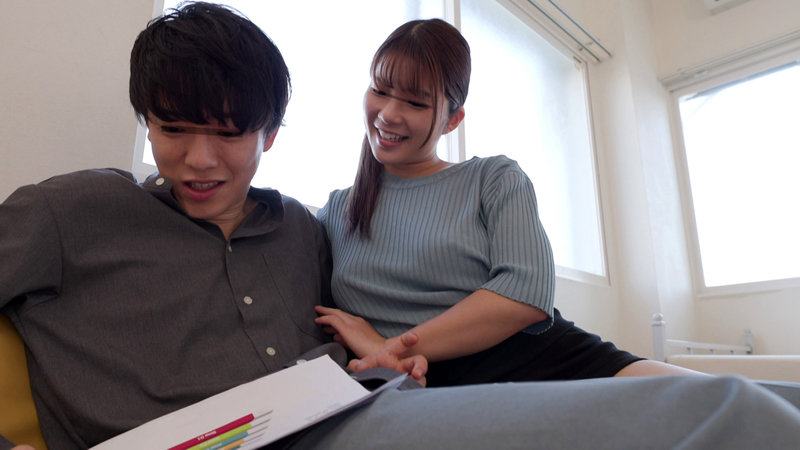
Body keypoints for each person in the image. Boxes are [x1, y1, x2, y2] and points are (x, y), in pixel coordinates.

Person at [3, 4, 800, 449]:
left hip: (452, 379)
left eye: (230, 134)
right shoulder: (78, 210)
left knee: (752, 407)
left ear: (269, 134)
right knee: (736, 414)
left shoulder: (304, 227)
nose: (200, 160)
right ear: (145, 124)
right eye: (173, 131)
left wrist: (386, 352)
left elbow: (520, 297)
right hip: (327, 413)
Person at [315, 18, 698, 386]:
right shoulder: (335, 213)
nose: (388, 114)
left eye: (415, 103)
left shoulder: (493, 179)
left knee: (724, 400)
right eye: (380, 91)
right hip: (424, 385)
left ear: (452, 119)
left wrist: (386, 348)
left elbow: (526, 291)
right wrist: (385, 356)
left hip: (543, 361)